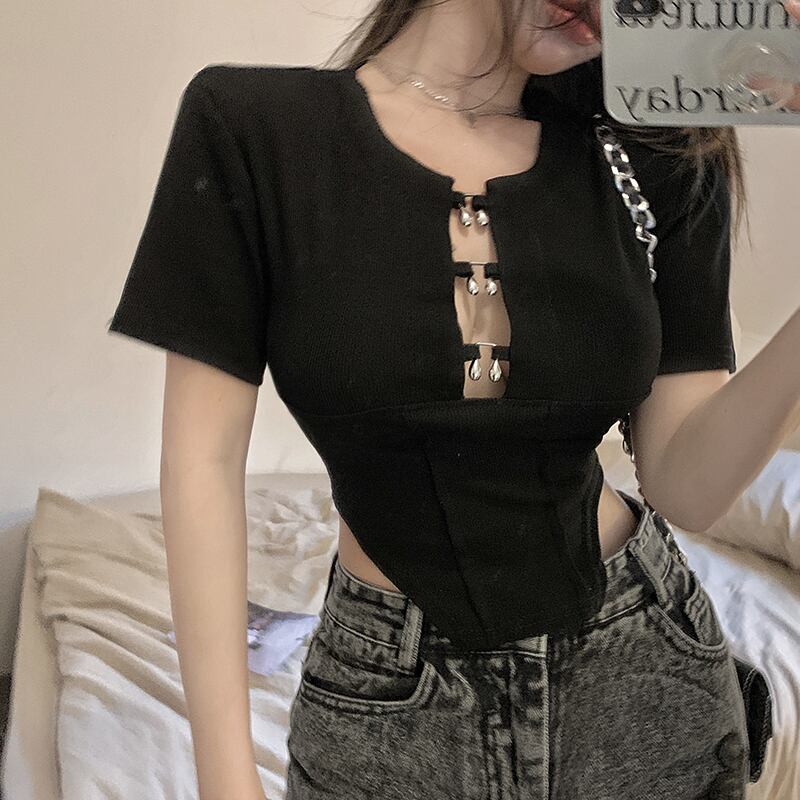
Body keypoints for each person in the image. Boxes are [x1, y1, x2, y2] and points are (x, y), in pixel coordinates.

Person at [106, 1, 800, 798]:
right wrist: (226, 783)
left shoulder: (659, 151)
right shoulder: (254, 127)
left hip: (646, 674)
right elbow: (203, 462)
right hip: (388, 705)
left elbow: (687, 486)